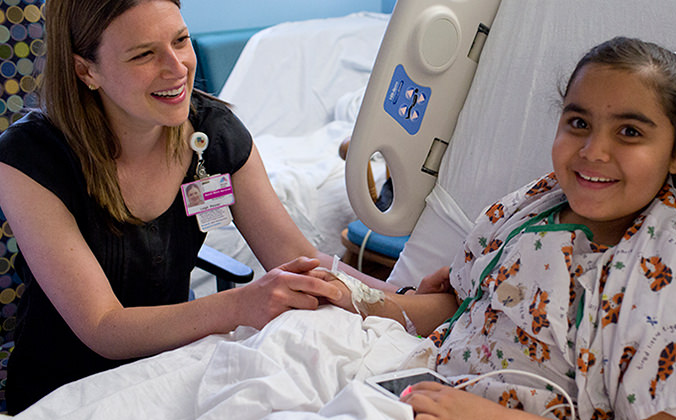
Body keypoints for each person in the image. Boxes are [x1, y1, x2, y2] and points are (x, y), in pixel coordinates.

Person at [0, 0, 390, 413]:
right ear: (86, 71)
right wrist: (242, 304)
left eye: (180, 40)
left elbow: (303, 259)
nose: (177, 68)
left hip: (173, 369)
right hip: (64, 392)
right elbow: (103, 326)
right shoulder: (29, 158)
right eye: (144, 54)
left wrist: (402, 295)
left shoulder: (213, 134)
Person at [325, 37, 676, 419]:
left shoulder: (663, 273)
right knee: (305, 332)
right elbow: (464, 306)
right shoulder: (536, 204)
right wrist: (355, 298)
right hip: (419, 380)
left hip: (469, 406)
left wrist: (483, 414)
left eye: (630, 132)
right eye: (578, 123)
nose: (594, 151)